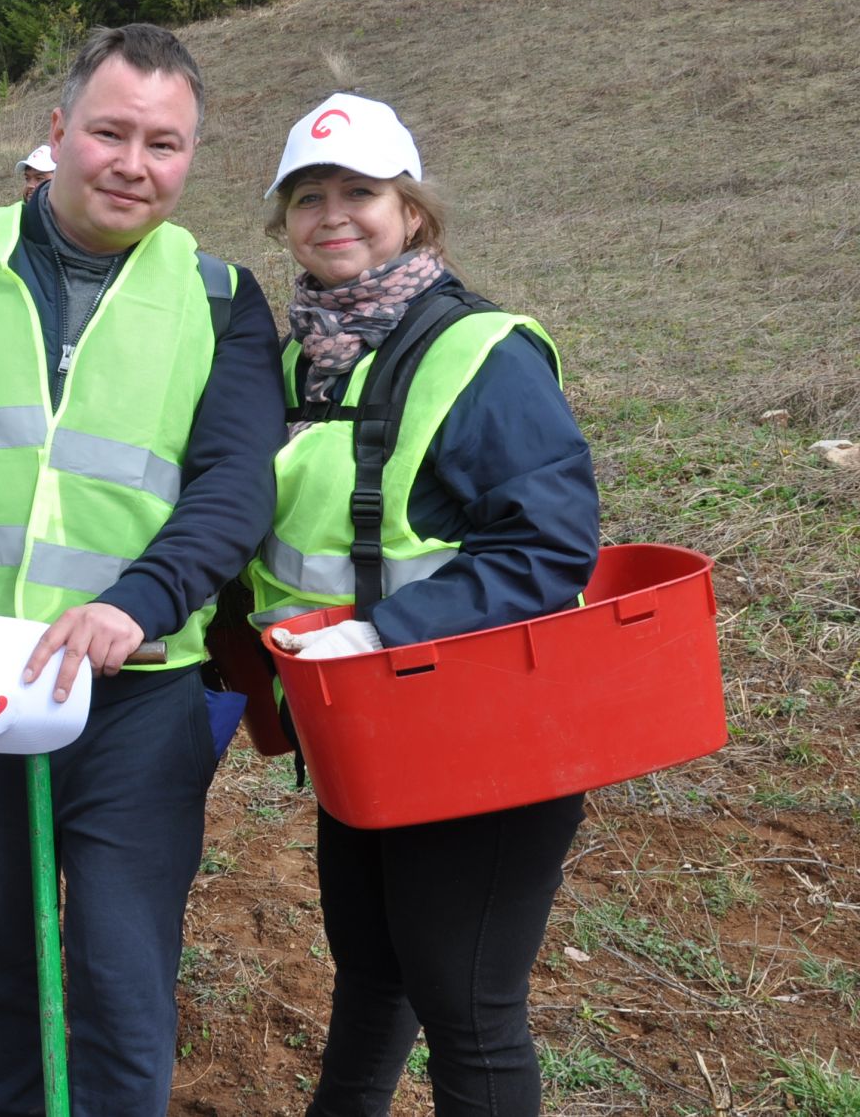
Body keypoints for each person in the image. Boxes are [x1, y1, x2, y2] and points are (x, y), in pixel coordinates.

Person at [0, 23, 286, 1115]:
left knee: (123, 978)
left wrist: (141, 600)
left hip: (138, 698)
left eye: (165, 145)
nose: (134, 164)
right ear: (58, 130)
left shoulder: (222, 300)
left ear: (191, 158)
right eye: (112, 132)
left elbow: (234, 485)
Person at [245, 93, 599, 1116]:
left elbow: (549, 546)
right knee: (373, 967)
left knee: (469, 1006)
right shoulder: (300, 364)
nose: (333, 215)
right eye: (308, 197)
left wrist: (382, 630)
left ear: (412, 210)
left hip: (484, 738)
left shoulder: (482, 355)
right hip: (362, 729)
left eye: (360, 192)